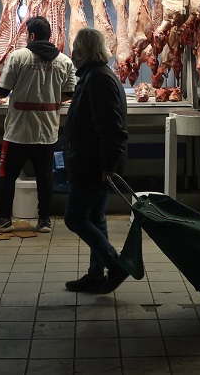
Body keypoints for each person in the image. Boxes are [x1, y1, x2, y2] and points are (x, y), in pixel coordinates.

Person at [0, 16, 76, 233]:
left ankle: (4, 218)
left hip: (18, 130)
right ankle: (44, 220)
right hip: (47, 131)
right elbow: (70, 92)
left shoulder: (19, 57)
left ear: (31, 36)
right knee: (45, 177)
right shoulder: (64, 61)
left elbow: (3, 91)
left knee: (7, 175)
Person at [62, 28, 130, 294]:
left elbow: (111, 127)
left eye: (75, 50)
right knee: (95, 216)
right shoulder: (95, 76)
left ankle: (115, 265)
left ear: (81, 51)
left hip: (94, 164)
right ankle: (95, 274)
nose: (72, 55)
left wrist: (108, 165)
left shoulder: (98, 79)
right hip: (94, 162)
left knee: (75, 218)